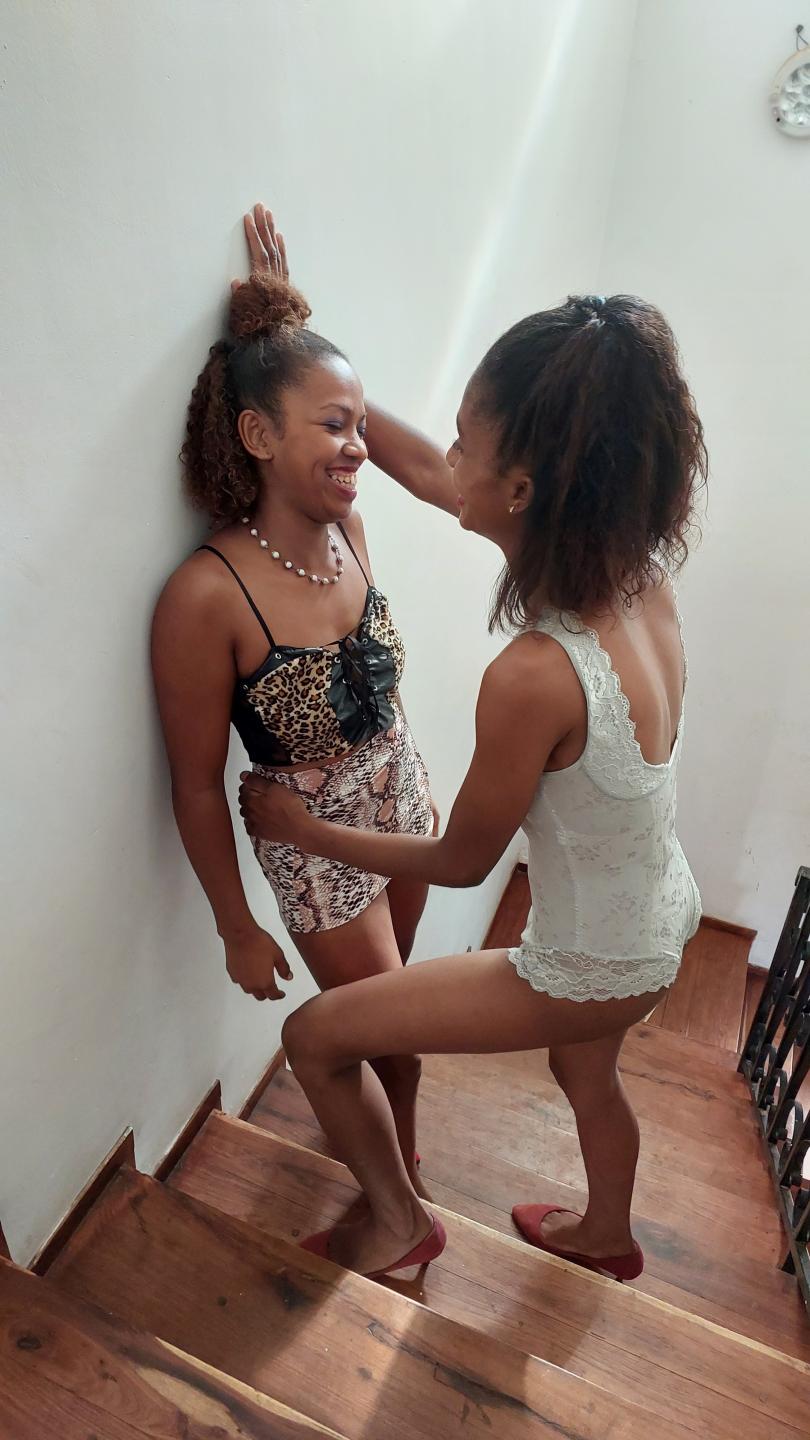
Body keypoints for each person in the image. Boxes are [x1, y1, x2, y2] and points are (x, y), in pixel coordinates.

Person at [239, 289, 706, 1280]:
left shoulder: (535, 676)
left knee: (314, 1036)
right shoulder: (642, 577)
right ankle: (607, 1236)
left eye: (466, 443)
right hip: (660, 918)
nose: (447, 459)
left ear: (524, 488)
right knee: (587, 1070)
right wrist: (300, 358)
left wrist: (301, 827)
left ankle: (399, 1227)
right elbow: (423, 474)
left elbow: (460, 862)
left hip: (589, 962)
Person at [151, 206, 439, 1198]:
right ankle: (400, 1201)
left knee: (405, 1011)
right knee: (394, 1036)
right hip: (314, 848)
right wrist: (235, 923)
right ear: (257, 433)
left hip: (404, 799)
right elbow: (196, 785)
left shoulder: (349, 526)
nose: (359, 447)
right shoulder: (207, 595)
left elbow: (412, 462)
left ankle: (398, 1150)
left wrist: (291, 328)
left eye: (360, 423)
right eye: (335, 425)